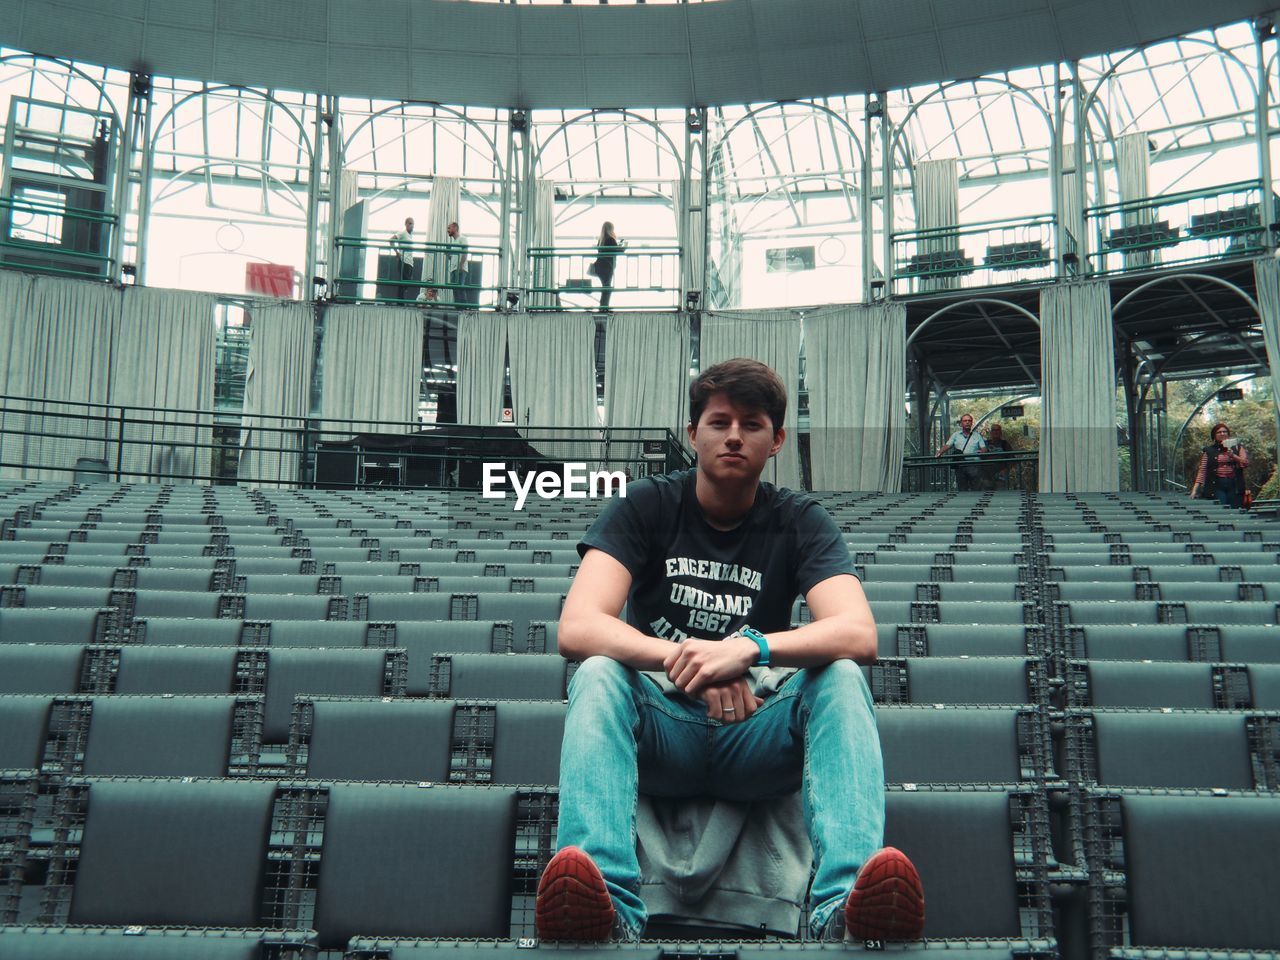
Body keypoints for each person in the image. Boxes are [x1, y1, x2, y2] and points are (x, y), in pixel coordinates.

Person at [534, 358, 925, 944]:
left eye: (752, 423)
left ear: (777, 441)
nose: (735, 435)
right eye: (719, 422)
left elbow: (858, 633)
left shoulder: (800, 520)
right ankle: (611, 912)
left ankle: (841, 912)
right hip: (664, 725)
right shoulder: (645, 505)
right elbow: (578, 625)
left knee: (841, 677)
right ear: (693, 434)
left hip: (753, 728)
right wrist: (689, 659)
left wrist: (749, 648)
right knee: (596, 674)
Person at [1190, 421, 1248, 508]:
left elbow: (1245, 463)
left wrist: (1234, 456)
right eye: (1219, 432)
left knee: (1235, 508)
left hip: (1234, 484)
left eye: (1224, 431)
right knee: (1222, 506)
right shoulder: (1209, 450)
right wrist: (1195, 490)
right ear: (1214, 435)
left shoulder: (1237, 447)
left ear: (1228, 434)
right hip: (1217, 484)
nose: (1222, 434)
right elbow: (1202, 470)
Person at [935, 413, 987, 491]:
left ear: (972, 423)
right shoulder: (956, 435)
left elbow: (984, 448)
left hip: (974, 465)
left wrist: (983, 452)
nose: (967, 422)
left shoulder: (977, 436)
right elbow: (947, 445)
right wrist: (939, 453)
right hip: (961, 465)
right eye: (965, 420)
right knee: (962, 489)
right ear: (961, 423)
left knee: (976, 489)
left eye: (969, 421)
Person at [594, 221, 625, 310]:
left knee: (605, 287)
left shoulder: (601, 240)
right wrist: (623, 247)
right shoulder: (611, 239)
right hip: (607, 267)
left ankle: (603, 306)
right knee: (607, 288)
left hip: (599, 266)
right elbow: (618, 251)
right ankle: (604, 307)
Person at [390, 216, 417, 302]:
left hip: (410, 262)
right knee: (403, 281)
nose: (411, 225)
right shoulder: (402, 233)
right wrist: (396, 252)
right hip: (403, 261)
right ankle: (400, 301)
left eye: (412, 224)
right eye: (409, 223)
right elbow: (391, 240)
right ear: (405, 224)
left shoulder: (410, 235)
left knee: (407, 282)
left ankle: (401, 299)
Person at [982, 423, 1013, 490]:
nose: (995, 432)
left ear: (1000, 432)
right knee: (987, 496)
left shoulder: (1005, 444)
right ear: (991, 432)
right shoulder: (985, 444)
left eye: (997, 430)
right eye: (993, 430)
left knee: (1001, 496)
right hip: (987, 476)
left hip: (1001, 475)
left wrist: (1006, 469)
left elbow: (1011, 458)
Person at [444, 220, 469, 302]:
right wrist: (448, 255)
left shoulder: (462, 238)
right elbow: (453, 257)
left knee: (459, 288)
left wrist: (460, 266)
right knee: (455, 289)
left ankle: (463, 307)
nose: (448, 230)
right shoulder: (454, 242)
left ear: (455, 228)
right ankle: (458, 306)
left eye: (449, 228)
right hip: (453, 269)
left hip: (460, 268)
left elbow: (465, 252)